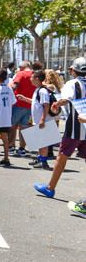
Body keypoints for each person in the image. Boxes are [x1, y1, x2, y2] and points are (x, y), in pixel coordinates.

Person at [33, 57, 86, 198]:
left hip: (74, 127)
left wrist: (56, 105)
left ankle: (50, 188)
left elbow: (66, 99)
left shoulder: (72, 84)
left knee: (62, 157)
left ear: (72, 70)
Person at [16, 70, 54, 170]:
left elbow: (46, 105)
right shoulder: (38, 90)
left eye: (32, 77)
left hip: (42, 121)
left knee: (43, 142)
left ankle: (44, 162)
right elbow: (36, 102)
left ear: (37, 79)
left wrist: (42, 119)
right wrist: (24, 98)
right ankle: (40, 158)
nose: (30, 79)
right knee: (39, 141)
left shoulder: (42, 91)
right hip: (37, 120)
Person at [9, 61, 35, 156]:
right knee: (25, 127)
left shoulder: (21, 73)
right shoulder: (35, 74)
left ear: (23, 67)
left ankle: (11, 147)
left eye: (20, 67)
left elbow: (15, 86)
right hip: (30, 104)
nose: (18, 69)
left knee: (12, 126)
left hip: (18, 104)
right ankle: (22, 149)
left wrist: (8, 87)